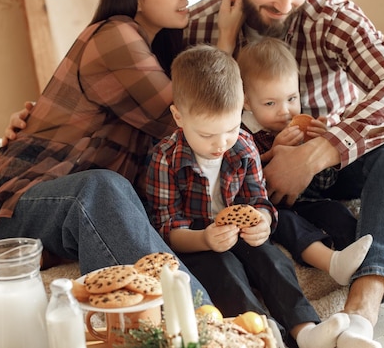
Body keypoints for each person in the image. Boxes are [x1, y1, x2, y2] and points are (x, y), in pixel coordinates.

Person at [0, 0, 242, 299]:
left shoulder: (154, 49)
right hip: (17, 205)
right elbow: (191, 127)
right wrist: (225, 42)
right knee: (100, 187)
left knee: (119, 195)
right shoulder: (114, 37)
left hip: (67, 209)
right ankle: (199, 323)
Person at [184, 0, 384, 346]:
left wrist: (316, 153)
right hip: (247, 175)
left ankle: (361, 312)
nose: (284, 5)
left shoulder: (329, 16)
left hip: (328, 167)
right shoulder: (200, 24)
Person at [146, 44, 351, 348]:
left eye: (229, 128)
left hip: (241, 234)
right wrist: (204, 239)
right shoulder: (165, 159)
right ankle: (260, 337)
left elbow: (259, 201)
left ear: (241, 109)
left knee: (273, 261)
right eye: (206, 134)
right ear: (178, 116)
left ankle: (305, 330)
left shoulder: (242, 145)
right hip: (196, 242)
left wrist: (263, 222)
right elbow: (167, 228)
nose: (220, 144)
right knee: (226, 273)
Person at [236, 37, 373, 286]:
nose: (285, 111)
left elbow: (324, 185)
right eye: (270, 103)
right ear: (246, 102)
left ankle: (365, 263)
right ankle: (330, 262)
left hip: (310, 201)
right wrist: (273, 152)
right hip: (273, 210)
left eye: (291, 98)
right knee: (289, 225)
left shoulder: (304, 125)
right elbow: (244, 189)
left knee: (336, 211)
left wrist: (323, 152)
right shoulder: (242, 135)